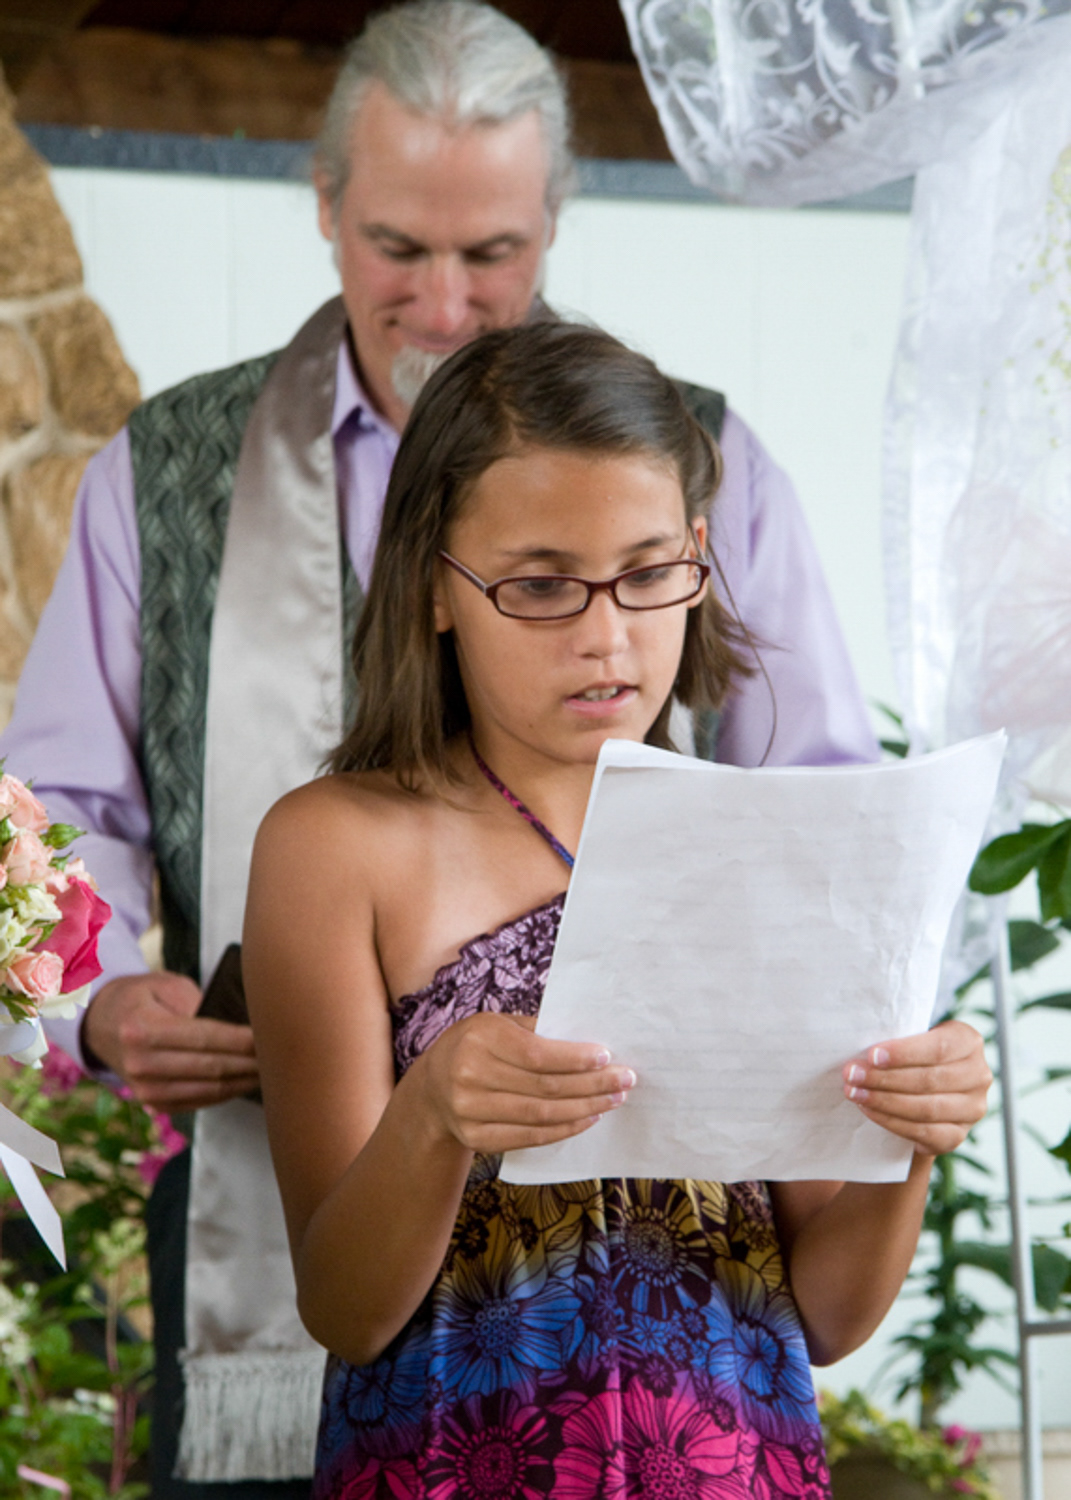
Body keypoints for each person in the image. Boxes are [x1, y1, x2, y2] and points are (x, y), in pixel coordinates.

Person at [0, 2, 878, 1491]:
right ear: (326, 207)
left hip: (693, 1321)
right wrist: (94, 1002)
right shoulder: (167, 471)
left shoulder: (705, 464)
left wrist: (869, 1080)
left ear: (554, 222)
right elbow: (49, 812)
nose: (449, 304)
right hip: (290, 1199)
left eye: (493, 255)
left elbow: (821, 817)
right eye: (400, 247)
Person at [242, 320, 991, 1499]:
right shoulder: (337, 847)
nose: (607, 637)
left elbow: (829, 1315)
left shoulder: (763, 846)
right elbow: (342, 1307)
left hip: (737, 1466)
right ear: (437, 583)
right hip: (448, 1466)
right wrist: (434, 1111)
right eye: (541, 585)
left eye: (648, 575)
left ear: (700, 550)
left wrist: (910, 1140)